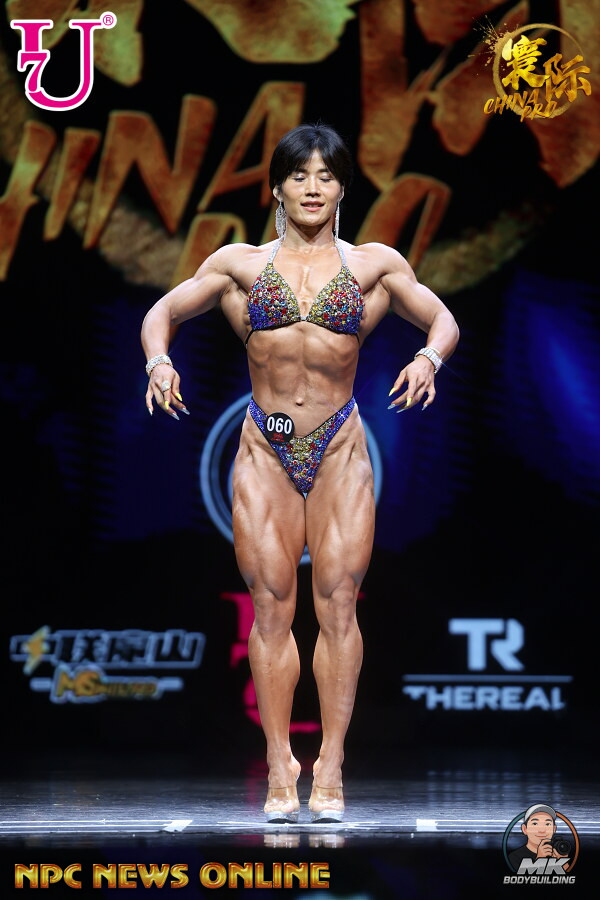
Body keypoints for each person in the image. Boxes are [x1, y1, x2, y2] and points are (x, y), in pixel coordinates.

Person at [141, 123, 459, 823]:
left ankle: (333, 763)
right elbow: (164, 310)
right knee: (272, 606)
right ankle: (281, 763)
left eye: (326, 176)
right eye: (299, 175)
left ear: (343, 188)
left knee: (339, 604)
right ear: (277, 187)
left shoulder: (373, 265)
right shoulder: (240, 265)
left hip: (340, 449)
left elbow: (442, 319)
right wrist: (159, 362)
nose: (313, 188)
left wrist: (428, 359)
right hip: (266, 451)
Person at [508, 804, 569, 871]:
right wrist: (539, 859)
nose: (542, 830)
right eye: (535, 824)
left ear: (554, 829)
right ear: (525, 829)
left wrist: (563, 863)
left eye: (547, 824)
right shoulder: (514, 857)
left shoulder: (559, 852)